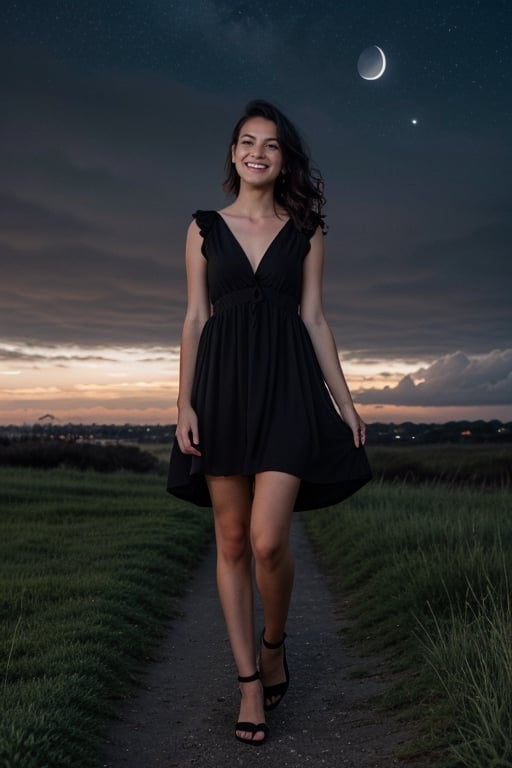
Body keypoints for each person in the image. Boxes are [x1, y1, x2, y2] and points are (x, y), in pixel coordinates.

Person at [167, 99, 371, 745]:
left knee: (265, 542)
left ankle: (275, 641)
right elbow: (196, 317)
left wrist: (344, 399)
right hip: (221, 391)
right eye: (247, 140)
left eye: (272, 143)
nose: (258, 150)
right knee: (229, 542)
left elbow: (313, 318)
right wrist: (183, 402)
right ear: (233, 153)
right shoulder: (203, 227)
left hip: (287, 391)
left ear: (285, 160)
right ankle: (249, 680)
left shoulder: (307, 230)